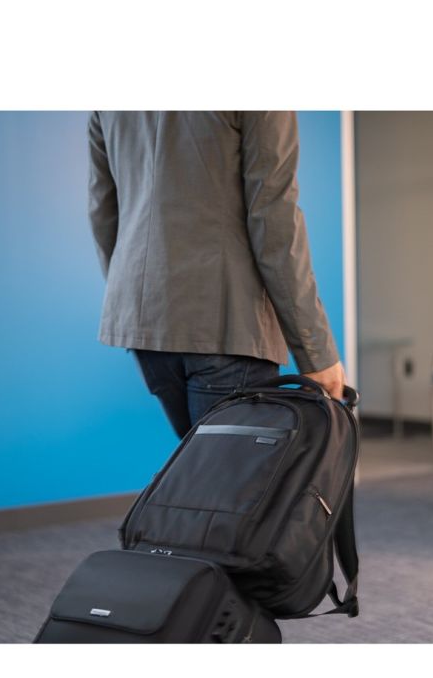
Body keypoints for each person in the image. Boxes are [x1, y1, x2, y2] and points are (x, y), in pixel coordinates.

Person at [87, 111, 345, 438]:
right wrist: (315, 351)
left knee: (203, 463)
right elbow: (274, 220)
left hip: (148, 328)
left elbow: (102, 212)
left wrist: (136, 301)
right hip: (227, 326)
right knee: (232, 469)